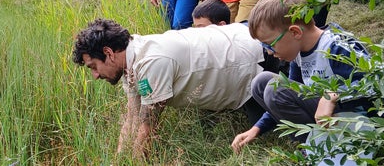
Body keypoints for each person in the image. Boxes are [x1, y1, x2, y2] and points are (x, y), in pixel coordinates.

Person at [72, 18, 265, 158]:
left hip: (256, 53)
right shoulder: (130, 61)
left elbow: (147, 127)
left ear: (108, 53)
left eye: (93, 67)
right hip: (239, 40)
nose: (95, 75)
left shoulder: (150, 62)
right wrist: (118, 160)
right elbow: (132, 117)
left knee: (274, 131)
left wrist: (134, 161)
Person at [231, 0, 371, 154]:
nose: (269, 52)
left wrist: (333, 94)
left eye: (270, 45)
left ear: (295, 32)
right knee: (261, 83)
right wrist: (257, 128)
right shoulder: (299, 54)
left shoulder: (335, 46)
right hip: (328, 120)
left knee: (275, 89)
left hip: (361, 126)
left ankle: (325, 151)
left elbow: (375, 82)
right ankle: (317, 147)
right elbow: (289, 95)